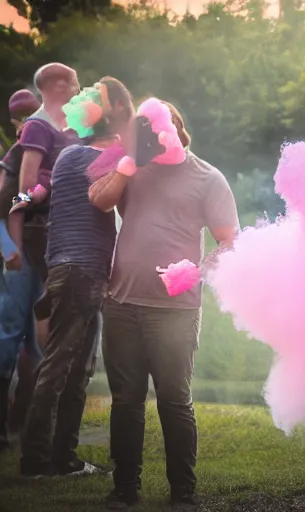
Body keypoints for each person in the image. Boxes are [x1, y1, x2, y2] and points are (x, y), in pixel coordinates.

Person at [89, 100, 239, 511]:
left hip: (175, 310)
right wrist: (126, 165)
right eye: (147, 129)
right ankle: (124, 489)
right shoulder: (132, 168)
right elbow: (100, 201)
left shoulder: (208, 178)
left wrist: (199, 270)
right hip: (121, 303)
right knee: (126, 401)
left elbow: (231, 241)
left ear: (179, 130)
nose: (156, 136)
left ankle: (183, 494)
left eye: (163, 127)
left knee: (174, 401)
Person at [20, 77, 134, 478]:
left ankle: (63, 459)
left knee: (77, 368)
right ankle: (36, 460)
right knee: (61, 366)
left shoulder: (69, 154)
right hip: (83, 271)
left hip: (65, 269)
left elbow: (37, 196)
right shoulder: (105, 157)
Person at [0, 83, 71, 452]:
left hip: (48, 253)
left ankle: (24, 423)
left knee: (39, 342)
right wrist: (9, 248)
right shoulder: (17, 155)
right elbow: (9, 204)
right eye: (23, 119)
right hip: (19, 255)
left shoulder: (58, 147)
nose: (29, 124)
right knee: (10, 334)